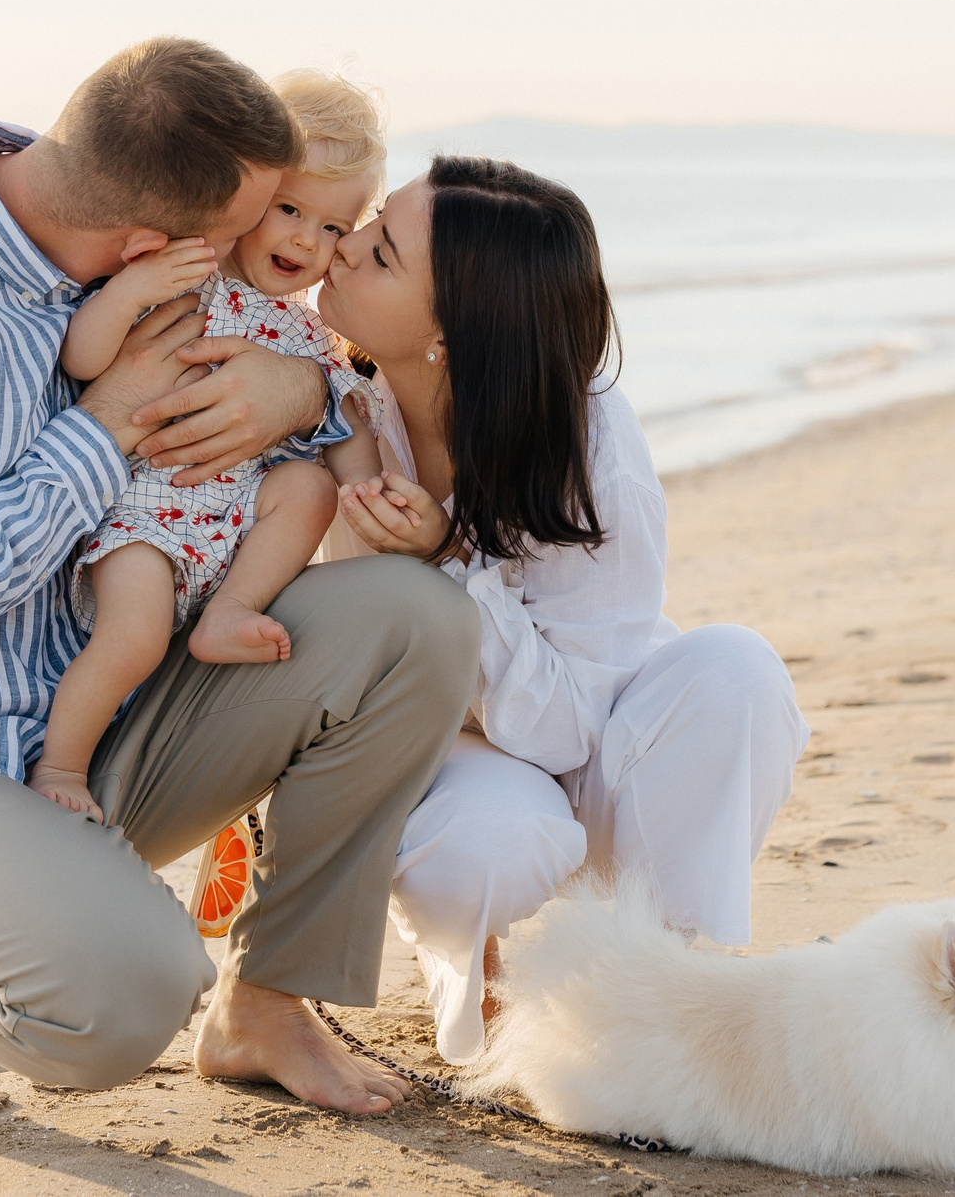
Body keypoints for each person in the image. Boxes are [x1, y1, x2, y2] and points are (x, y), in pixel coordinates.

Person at [0, 38, 478, 1125]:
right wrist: (102, 426)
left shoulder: (113, 216)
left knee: (416, 621)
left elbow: (264, 352)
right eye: (237, 238)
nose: (275, 256)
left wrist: (293, 390)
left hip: (87, 728)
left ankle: (267, 1005)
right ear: (150, 243)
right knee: (124, 999)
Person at [318, 155, 810, 1064]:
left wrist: (448, 560)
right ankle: (481, 974)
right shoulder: (332, 394)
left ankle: (662, 980)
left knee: (738, 674)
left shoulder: (584, 442)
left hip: (583, 725)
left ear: (451, 337)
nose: (341, 250)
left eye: (381, 253)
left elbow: (565, 728)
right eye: (371, 224)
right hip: (435, 746)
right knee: (491, 845)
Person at [31, 71, 389, 823]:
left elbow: (344, 420)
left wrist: (369, 493)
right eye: (289, 210)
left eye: (333, 229)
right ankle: (61, 766)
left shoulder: (307, 332)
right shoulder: (183, 277)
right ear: (247, 200)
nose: (305, 239)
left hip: (230, 529)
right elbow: (83, 359)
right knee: (135, 638)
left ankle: (231, 611)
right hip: (145, 514)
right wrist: (130, 293)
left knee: (310, 490)